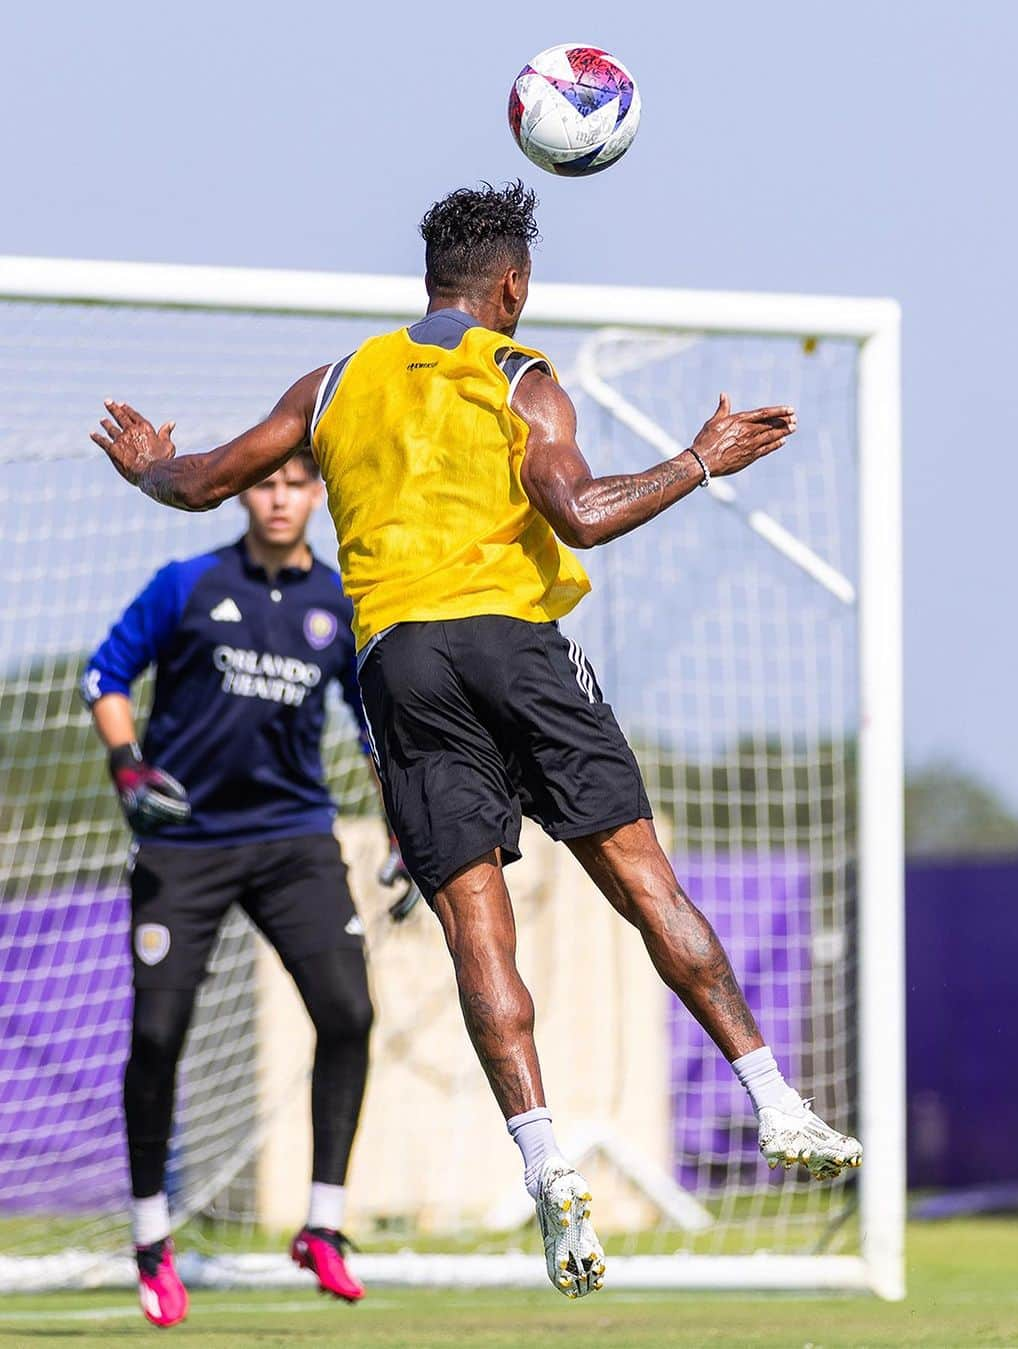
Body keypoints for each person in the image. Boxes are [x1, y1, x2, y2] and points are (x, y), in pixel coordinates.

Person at [90, 181, 863, 1302]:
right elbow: (583, 513)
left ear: (426, 286)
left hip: (401, 664)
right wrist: (699, 459)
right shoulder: (521, 377)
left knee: (474, 930)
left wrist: (149, 462)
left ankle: (547, 1169)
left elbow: (197, 479)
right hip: (516, 646)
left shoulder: (337, 381)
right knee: (646, 882)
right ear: (512, 286)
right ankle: (776, 1100)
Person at [82, 453, 377, 1326]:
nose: (280, 499)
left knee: (350, 1014)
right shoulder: (185, 583)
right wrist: (128, 766)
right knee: (158, 1033)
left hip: (295, 845)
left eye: (295, 485)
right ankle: (149, 1240)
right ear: (245, 493)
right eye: (266, 485)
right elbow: (105, 677)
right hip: (186, 846)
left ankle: (322, 1226)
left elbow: (373, 730)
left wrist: (405, 829)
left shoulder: (338, 606)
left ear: (318, 495)